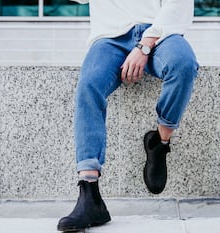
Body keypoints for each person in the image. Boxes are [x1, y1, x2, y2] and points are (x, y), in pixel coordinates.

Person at [57, 0, 199, 232]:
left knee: (183, 64)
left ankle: (159, 142)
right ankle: (89, 194)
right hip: (110, 37)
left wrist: (144, 46)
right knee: (89, 86)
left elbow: (178, 5)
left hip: (161, 33)